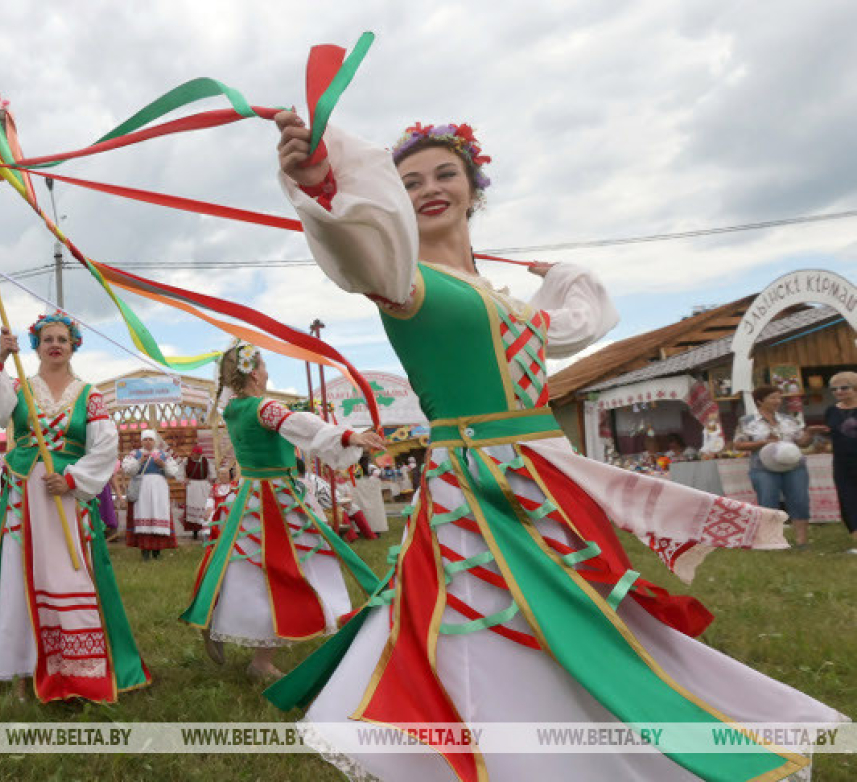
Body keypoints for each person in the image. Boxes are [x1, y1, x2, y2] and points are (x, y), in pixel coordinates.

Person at [265, 113, 844, 780]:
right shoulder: (407, 284)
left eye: (445, 174)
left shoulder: (507, 302)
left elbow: (581, 320)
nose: (430, 188)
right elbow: (358, 252)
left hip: (545, 478)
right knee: (483, 618)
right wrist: (322, 187)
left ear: (474, 189)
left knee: (582, 611)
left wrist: (565, 273)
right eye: (409, 180)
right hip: (477, 489)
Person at [0, 313, 151, 702]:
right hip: (25, 497)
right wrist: (0, 356)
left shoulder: (90, 395)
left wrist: (71, 479)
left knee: (72, 575)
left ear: (73, 346)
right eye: (47, 338)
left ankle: (77, 671)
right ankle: (23, 671)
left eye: (63, 339)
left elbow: (104, 447)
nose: (55, 344)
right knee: (22, 576)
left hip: (67, 499)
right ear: (35, 345)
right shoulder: (19, 386)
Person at [182, 344, 383, 679]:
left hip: (247, 494)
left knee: (242, 568)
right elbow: (306, 429)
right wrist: (353, 437)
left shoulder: (232, 408)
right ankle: (261, 660)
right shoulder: (264, 408)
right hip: (275, 498)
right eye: (263, 365)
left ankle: (215, 618)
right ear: (253, 371)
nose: (267, 371)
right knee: (286, 568)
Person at [734, 384, 821, 548]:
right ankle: (771, 541)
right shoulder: (747, 421)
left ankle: (802, 541)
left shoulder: (788, 420)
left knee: (799, 500)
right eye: (773, 398)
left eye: (779, 397)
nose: (777, 401)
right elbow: (738, 445)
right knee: (768, 503)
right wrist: (763, 442)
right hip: (763, 467)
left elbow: (802, 442)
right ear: (760, 401)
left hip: (794, 465)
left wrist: (810, 433)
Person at [124, 429, 180, 559]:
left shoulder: (163, 455)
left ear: (155, 441)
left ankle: (157, 551)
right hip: (141, 488)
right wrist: (139, 462)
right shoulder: (135, 454)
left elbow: (173, 472)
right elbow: (127, 470)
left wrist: (163, 465)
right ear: (141, 441)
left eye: (150, 439)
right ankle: (145, 552)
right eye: (145, 439)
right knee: (144, 514)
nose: (148, 442)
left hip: (159, 489)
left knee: (158, 514)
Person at [822, 371, 857, 554]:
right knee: (848, 500)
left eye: (844, 387)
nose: (839, 392)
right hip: (842, 462)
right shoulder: (831, 411)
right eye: (834, 389)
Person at [350, 455, 390, 536]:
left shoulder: (359, 468)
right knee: (373, 512)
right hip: (370, 493)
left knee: (366, 511)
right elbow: (382, 477)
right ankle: (374, 529)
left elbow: (356, 479)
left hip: (365, 493)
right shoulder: (368, 468)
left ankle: (365, 529)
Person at [182, 445, 213, 539]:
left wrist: (211, 481)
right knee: (193, 508)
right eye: (196, 454)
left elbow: (212, 473)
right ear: (193, 453)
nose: (198, 456)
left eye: (199, 454)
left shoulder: (206, 461)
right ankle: (194, 532)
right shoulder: (186, 461)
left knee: (204, 507)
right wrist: (184, 479)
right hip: (192, 486)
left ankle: (206, 530)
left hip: (204, 485)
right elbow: (179, 472)